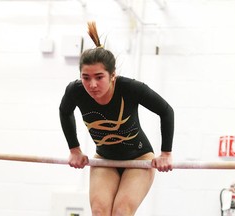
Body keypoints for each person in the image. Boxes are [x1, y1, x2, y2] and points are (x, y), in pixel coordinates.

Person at [59, 21, 174, 216]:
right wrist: (74, 149)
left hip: (139, 158)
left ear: (113, 75)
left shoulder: (130, 88)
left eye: (99, 77)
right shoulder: (75, 91)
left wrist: (166, 153)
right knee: (99, 211)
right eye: (85, 77)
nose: (92, 84)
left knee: (121, 211)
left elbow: (166, 110)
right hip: (105, 158)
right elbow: (65, 111)